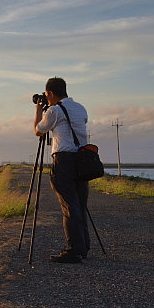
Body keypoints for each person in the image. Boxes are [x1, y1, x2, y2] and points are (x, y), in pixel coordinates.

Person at [33, 77, 90, 263]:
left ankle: (73, 250)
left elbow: (38, 130)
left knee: (69, 205)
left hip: (64, 160)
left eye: (47, 95)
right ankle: (83, 246)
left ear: (49, 93)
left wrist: (38, 110)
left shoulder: (54, 111)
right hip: (82, 160)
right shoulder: (81, 108)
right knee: (79, 204)